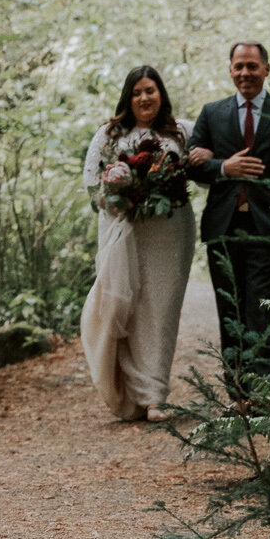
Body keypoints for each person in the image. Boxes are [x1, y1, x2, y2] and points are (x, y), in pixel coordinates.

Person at [185, 41, 270, 403]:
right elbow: (191, 164)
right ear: (230, 70)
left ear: (266, 69)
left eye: (252, 66)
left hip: (269, 227)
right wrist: (223, 166)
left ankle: (260, 391)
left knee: (261, 308)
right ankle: (236, 394)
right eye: (239, 66)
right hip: (222, 229)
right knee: (230, 307)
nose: (245, 73)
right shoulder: (212, 113)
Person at [79, 65, 197, 421]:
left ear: (161, 94)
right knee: (123, 307)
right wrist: (120, 195)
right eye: (137, 92)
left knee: (160, 310)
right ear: (128, 98)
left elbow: (202, 175)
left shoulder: (182, 132)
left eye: (151, 90)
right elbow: (91, 184)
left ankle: (155, 395)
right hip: (123, 230)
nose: (145, 98)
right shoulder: (110, 134)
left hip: (171, 233)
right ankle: (128, 394)